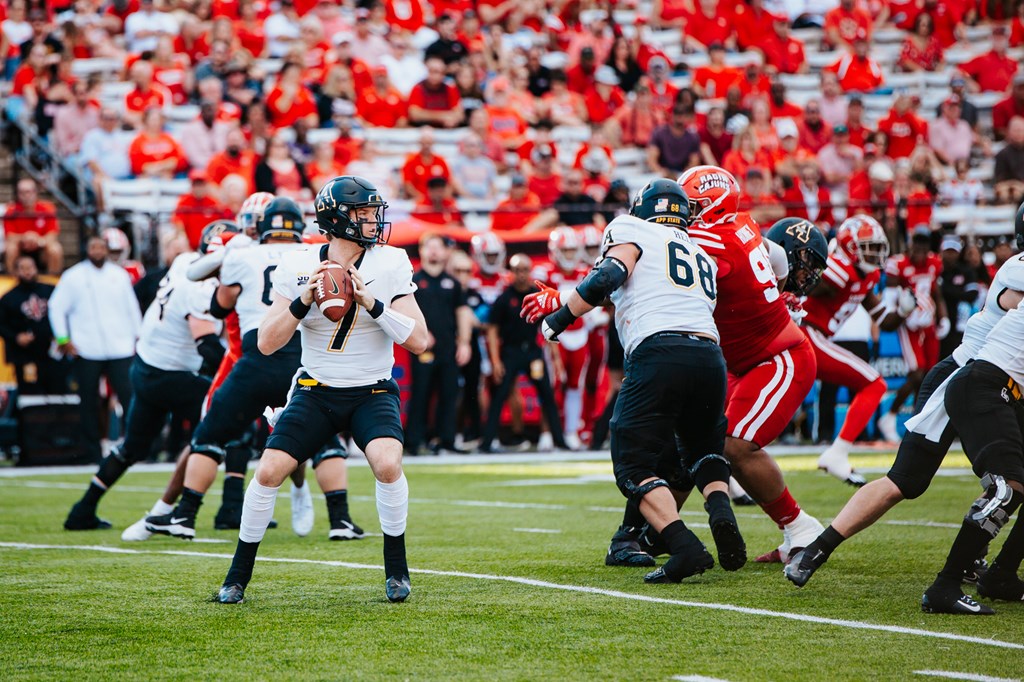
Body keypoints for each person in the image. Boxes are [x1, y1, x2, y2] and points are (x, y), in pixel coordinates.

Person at [784, 208, 1024, 605]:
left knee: (1012, 480)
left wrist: (912, 306)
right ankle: (817, 549)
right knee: (906, 481)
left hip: (1001, 385)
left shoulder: (867, 278)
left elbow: (888, 316)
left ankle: (995, 571)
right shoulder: (1016, 268)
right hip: (968, 377)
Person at [213, 176, 429, 605]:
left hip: (373, 390)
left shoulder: (390, 262)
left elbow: (420, 340)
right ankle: (236, 576)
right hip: (316, 390)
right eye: (363, 214)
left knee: (387, 464)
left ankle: (397, 570)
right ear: (336, 220)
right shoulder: (297, 264)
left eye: (373, 212)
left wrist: (374, 305)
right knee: (270, 470)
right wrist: (301, 302)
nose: (373, 221)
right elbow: (266, 343)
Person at [528, 179, 746, 582]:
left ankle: (684, 547)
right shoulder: (699, 251)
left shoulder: (630, 228)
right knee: (703, 449)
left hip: (660, 350)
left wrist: (559, 319)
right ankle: (721, 512)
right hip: (709, 354)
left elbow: (609, 275)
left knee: (632, 461)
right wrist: (561, 298)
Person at [63, 235, 222, 531]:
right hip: (173, 373)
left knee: (131, 447)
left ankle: (81, 510)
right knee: (229, 426)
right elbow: (208, 347)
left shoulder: (185, 262)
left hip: (148, 366)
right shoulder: (201, 287)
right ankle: (221, 511)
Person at [802, 216, 917, 485]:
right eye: (868, 247)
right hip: (805, 333)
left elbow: (885, 321)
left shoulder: (866, 275)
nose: (876, 253)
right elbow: (805, 284)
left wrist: (903, 311)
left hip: (815, 338)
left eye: (877, 247)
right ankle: (837, 453)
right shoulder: (840, 269)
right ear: (849, 247)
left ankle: (732, 465)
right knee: (874, 383)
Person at [48, 235, 141, 463]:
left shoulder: (118, 275)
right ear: (86, 249)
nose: (98, 251)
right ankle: (91, 452)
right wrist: (63, 338)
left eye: (101, 247)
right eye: (93, 247)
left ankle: (135, 448)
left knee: (130, 397)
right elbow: (56, 307)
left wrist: (138, 338)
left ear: (107, 250)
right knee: (88, 400)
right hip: (86, 347)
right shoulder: (74, 276)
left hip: (120, 347)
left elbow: (132, 308)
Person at [478, 254, 566, 454]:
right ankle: (487, 442)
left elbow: (549, 326)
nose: (521, 275)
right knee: (500, 396)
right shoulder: (504, 298)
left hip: (533, 352)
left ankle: (559, 441)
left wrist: (556, 359)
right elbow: (492, 330)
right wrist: (496, 360)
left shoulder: (537, 295)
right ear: (511, 273)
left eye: (525, 270)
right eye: (517, 270)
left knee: (547, 395)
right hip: (510, 352)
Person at [876, 228, 949, 442]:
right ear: (911, 242)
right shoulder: (898, 264)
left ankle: (920, 423)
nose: (920, 248)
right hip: (909, 324)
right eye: (917, 242)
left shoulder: (934, 262)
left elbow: (936, 292)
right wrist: (901, 312)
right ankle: (889, 416)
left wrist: (942, 317)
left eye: (924, 244)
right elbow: (889, 299)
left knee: (929, 376)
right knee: (916, 374)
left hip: (928, 324)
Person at [404, 233, 473, 455]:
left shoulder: (452, 283)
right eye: (428, 246)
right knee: (421, 394)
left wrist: (465, 343)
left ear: (445, 252)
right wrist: (420, 332)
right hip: (422, 347)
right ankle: (414, 442)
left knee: (449, 394)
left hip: (448, 348)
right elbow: (402, 309)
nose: (433, 251)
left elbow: (462, 312)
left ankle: (447, 441)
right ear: (421, 251)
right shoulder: (412, 280)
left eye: (438, 247)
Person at [0, 255, 60, 395]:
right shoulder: (8, 298)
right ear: (16, 272)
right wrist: (16, 337)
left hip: (49, 350)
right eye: (23, 268)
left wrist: (57, 335)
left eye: (30, 268)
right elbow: (1, 324)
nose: (27, 272)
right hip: (23, 353)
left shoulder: (51, 290)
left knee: (53, 386)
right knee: (27, 392)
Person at [3, 178, 63, 274]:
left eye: (28, 192)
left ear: (35, 192)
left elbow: (52, 235)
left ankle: (52, 279)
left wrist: (37, 240)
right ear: (17, 194)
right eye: (21, 192)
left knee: (55, 249)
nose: (26, 196)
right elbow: (10, 237)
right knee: (10, 248)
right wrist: (25, 238)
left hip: (41, 248)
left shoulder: (47, 208)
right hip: (21, 248)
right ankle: (12, 278)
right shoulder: (11, 211)